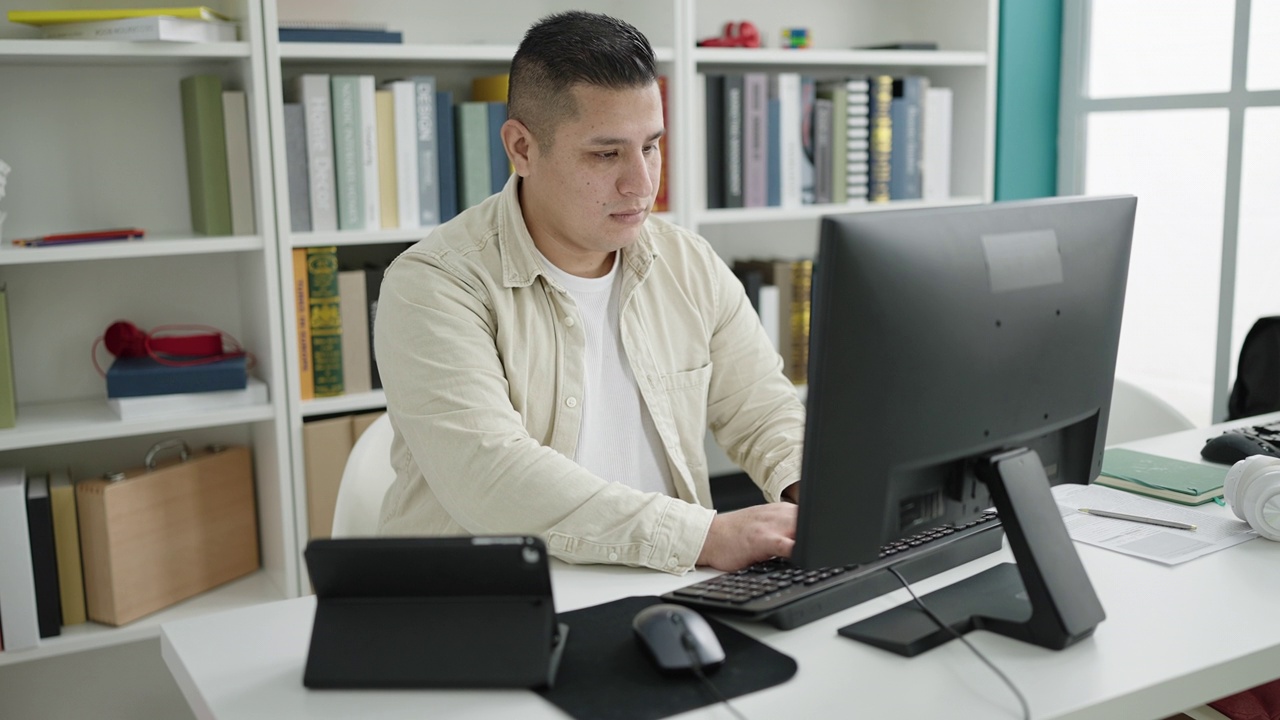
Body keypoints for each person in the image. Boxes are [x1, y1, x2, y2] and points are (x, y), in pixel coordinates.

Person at [375, 10, 805, 574]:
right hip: (490, 605)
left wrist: (810, 496)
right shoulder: (432, 285)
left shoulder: (687, 262)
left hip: (665, 584)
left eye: (650, 146)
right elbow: (492, 477)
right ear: (522, 148)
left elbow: (763, 409)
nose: (642, 183)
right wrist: (704, 536)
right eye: (606, 154)